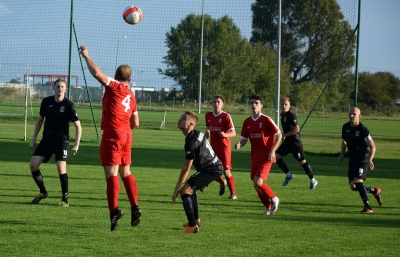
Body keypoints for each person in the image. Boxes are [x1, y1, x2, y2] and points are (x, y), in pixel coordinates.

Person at [80, 46, 141, 231]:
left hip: (113, 134)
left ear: (116, 76)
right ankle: (135, 206)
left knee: (111, 174)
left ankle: (114, 211)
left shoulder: (114, 86)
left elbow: (97, 73)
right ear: (130, 79)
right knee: (126, 172)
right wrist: (124, 130)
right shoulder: (131, 95)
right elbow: (136, 122)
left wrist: (86, 56)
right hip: (126, 135)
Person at [29, 78, 82, 207]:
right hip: (47, 140)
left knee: (60, 168)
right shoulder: (46, 102)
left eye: (62, 87)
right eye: (57, 86)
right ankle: (43, 192)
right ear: (54, 88)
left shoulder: (69, 105)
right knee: (33, 165)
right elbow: (39, 120)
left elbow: (78, 126)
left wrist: (76, 145)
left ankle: (65, 199)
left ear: (65, 89)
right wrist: (33, 139)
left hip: (61, 141)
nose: (60, 88)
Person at [173, 111, 223, 233]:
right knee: (191, 189)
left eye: (183, 118)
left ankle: (192, 226)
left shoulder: (191, 141)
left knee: (184, 191)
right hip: (213, 167)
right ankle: (195, 220)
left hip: (211, 169)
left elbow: (186, 168)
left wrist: (176, 188)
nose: (179, 119)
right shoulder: (195, 134)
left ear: (190, 124)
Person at [235, 94, 282, 215]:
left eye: (256, 103)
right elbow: (244, 139)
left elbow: (279, 135)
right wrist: (240, 144)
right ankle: (268, 207)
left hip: (267, 156)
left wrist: (272, 151)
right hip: (254, 157)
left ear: (261, 106)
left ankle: (275, 198)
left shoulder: (266, 120)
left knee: (258, 182)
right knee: (256, 186)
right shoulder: (247, 122)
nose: (253, 105)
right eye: (252, 103)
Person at [339, 107, 382, 213]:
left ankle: (368, 207)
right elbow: (345, 141)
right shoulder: (345, 127)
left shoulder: (363, 130)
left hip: (362, 158)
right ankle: (374, 191)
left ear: (359, 116)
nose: (351, 116)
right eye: (350, 114)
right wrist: (342, 154)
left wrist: (370, 160)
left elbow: (372, 146)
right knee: (353, 186)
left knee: (358, 182)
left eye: (354, 114)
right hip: (352, 158)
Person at [276, 97, 318, 189]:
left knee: (302, 162)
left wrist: (285, 134)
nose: (283, 106)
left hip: (295, 143)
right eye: (282, 104)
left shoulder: (292, 116)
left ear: (289, 105)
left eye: (285, 104)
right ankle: (288, 175)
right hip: (287, 142)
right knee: (276, 157)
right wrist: (284, 135)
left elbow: (296, 129)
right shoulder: (282, 115)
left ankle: (313, 180)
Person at [205, 95, 237, 199]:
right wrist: (206, 135)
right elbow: (208, 129)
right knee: (210, 169)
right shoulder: (208, 115)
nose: (216, 104)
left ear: (222, 104)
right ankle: (222, 182)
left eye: (218, 102)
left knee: (226, 171)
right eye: (214, 102)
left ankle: (233, 194)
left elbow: (234, 133)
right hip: (212, 147)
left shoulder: (226, 116)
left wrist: (225, 135)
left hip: (224, 148)